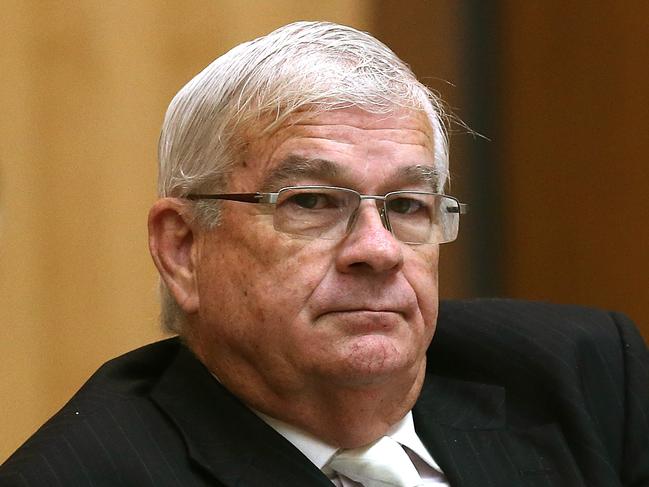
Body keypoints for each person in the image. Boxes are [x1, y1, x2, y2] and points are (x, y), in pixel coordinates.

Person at [1, 21, 647, 487]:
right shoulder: (82, 473)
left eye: (407, 205)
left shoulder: (582, 373)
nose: (377, 250)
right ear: (183, 248)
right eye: (311, 202)